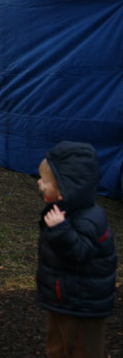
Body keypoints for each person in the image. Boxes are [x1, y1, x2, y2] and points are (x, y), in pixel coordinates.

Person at [36, 141, 117, 357]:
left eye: (45, 181)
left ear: (65, 188)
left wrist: (60, 230)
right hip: (63, 298)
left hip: (83, 305)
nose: (39, 183)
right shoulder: (65, 210)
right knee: (57, 346)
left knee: (81, 349)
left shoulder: (90, 219)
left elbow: (80, 252)